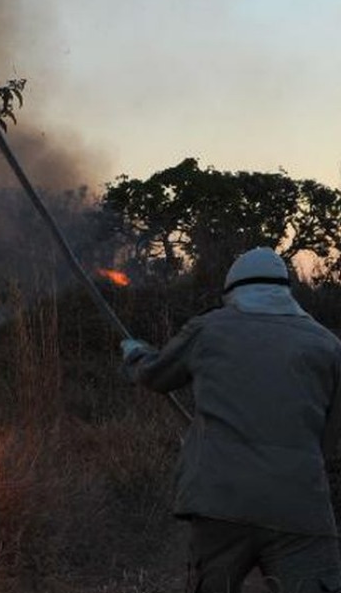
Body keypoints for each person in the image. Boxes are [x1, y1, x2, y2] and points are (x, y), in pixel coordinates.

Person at [121, 247, 341, 593]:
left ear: (233, 291)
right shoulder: (329, 346)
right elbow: (330, 437)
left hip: (219, 501)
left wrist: (135, 354)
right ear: (286, 290)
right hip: (300, 507)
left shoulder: (208, 330)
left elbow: (155, 374)